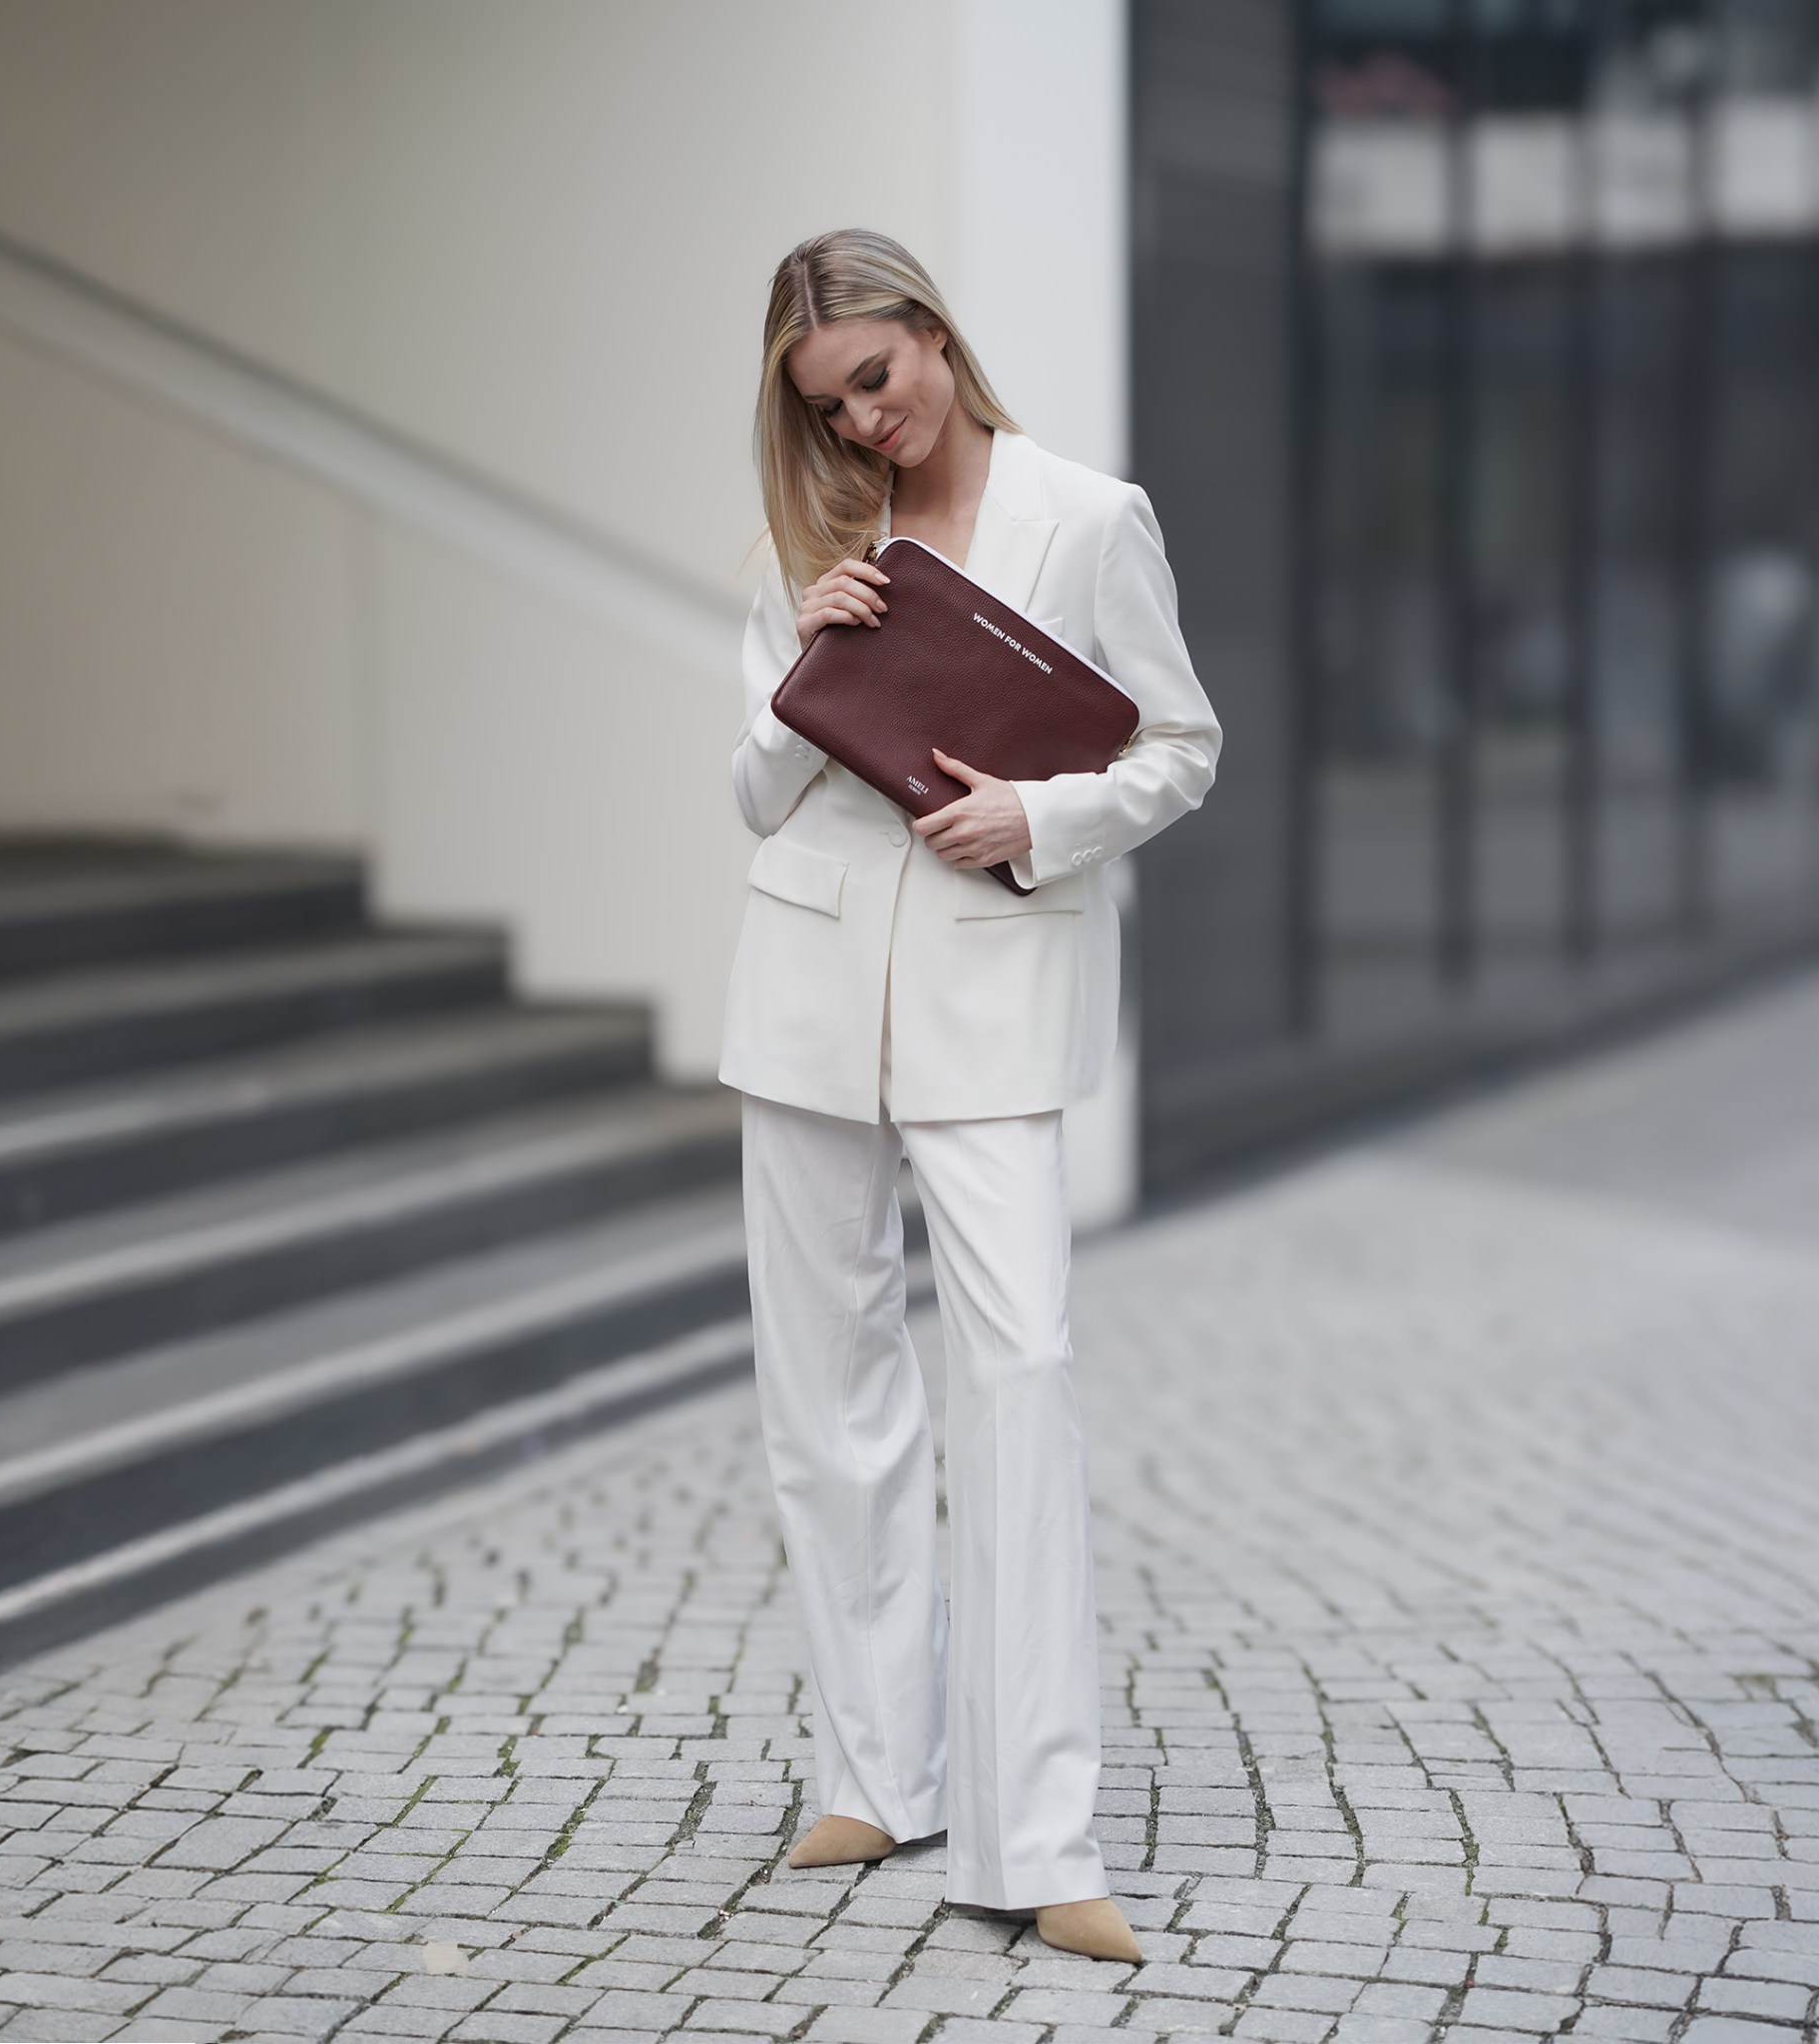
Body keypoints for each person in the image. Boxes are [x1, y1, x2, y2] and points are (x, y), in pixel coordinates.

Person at [722, 229, 1220, 1963]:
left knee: (1015, 1371)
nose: (867, 422)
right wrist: (806, 664)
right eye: (831, 404)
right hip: (802, 1000)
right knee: (828, 1388)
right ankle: (879, 1766)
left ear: (931, 332)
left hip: (994, 997)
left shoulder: (1090, 517)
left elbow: (1180, 747)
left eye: (878, 375)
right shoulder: (817, 537)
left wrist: (1041, 817)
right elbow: (754, 792)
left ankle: (1044, 1838)